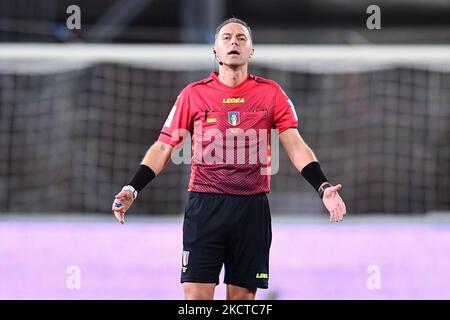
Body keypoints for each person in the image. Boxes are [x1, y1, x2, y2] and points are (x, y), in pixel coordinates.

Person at [111, 18, 347, 300]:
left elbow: (295, 146)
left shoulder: (271, 94)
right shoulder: (193, 95)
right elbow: (164, 147)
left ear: (251, 51)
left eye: (241, 38)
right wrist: (132, 188)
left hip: (252, 209)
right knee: (196, 299)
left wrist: (322, 187)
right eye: (226, 37)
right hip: (205, 206)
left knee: (241, 302)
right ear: (215, 50)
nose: (233, 42)